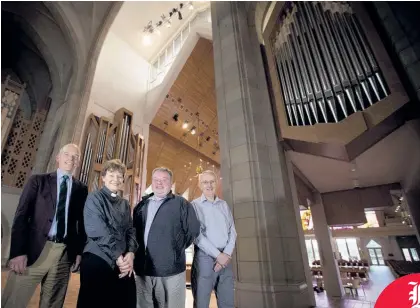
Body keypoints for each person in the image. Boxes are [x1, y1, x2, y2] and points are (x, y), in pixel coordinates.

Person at [2, 143, 88, 308]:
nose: (70, 159)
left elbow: (80, 224)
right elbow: (21, 216)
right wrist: (18, 252)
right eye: (67, 154)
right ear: (58, 158)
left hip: (63, 253)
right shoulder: (38, 181)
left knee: (53, 304)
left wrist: (78, 252)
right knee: (14, 300)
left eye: (75, 157)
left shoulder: (81, 189)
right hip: (35, 249)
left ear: (78, 162)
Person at [133, 167, 200, 308]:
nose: (159, 183)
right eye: (156, 180)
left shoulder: (181, 203)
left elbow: (192, 231)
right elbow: (134, 234)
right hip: (143, 268)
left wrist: (174, 251)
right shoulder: (141, 205)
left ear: (171, 183)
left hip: (171, 270)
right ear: (152, 182)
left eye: (164, 180)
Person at [77, 159, 138, 308]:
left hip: (122, 260)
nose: (115, 179)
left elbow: (130, 230)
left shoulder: (124, 203)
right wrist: (118, 257)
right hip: (98, 258)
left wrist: (131, 253)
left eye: (119, 176)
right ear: (103, 177)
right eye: (111, 175)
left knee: (127, 301)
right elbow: (98, 231)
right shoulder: (94, 198)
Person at [191, 170, 237, 308]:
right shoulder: (194, 206)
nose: (209, 185)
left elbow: (233, 232)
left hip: (226, 258)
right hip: (205, 258)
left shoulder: (223, 205)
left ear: (216, 183)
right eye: (205, 182)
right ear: (200, 185)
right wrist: (218, 255)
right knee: (201, 302)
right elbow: (196, 235)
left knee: (227, 302)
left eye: (212, 181)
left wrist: (226, 255)